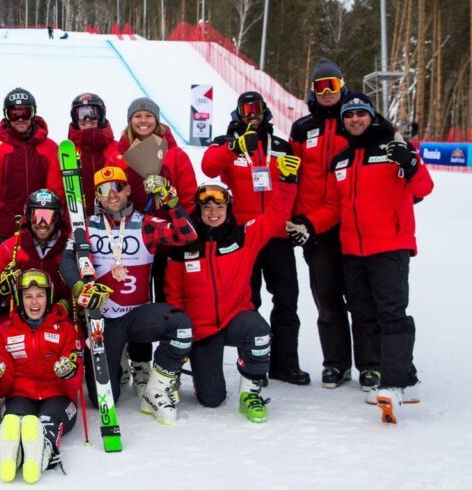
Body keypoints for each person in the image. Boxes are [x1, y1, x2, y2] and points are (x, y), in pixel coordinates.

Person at [306, 92, 433, 424]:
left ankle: (394, 383)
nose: (355, 120)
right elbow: (334, 208)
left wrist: (410, 162)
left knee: (391, 314)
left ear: (371, 116)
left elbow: (423, 187)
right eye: (349, 116)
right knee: (363, 314)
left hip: (390, 247)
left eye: (361, 114)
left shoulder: (393, 150)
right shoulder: (342, 160)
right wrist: (308, 223)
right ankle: (405, 375)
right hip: (353, 251)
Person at [165, 158, 300, 423]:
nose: (213, 212)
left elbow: (276, 217)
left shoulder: (243, 236)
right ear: (198, 209)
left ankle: (251, 391)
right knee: (211, 399)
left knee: (260, 332)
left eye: (219, 205)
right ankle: (201, 370)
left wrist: (287, 182)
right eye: (206, 206)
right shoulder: (185, 244)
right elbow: (173, 294)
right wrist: (181, 336)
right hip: (201, 328)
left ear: (228, 207)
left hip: (236, 318)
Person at [59, 166, 197, 424]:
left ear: (128, 190)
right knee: (103, 396)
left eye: (117, 188)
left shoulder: (144, 223)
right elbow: (66, 261)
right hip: (103, 319)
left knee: (180, 325)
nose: (111, 194)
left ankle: (155, 389)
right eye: (103, 190)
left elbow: (187, 234)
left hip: (136, 316)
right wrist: (79, 287)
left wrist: (170, 200)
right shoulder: (86, 226)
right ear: (97, 196)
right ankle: (119, 365)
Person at [201, 91, 309, 386]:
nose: (252, 114)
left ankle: (285, 363)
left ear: (266, 113)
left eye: (258, 109)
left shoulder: (281, 146)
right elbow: (209, 167)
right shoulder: (227, 144)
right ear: (238, 113)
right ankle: (252, 363)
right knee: (248, 301)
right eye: (246, 109)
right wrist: (234, 148)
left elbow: (297, 186)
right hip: (244, 237)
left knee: (287, 300)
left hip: (276, 236)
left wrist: (300, 222)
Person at [288, 58, 377, 389]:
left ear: (343, 85)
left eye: (332, 85)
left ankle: (370, 364)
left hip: (353, 225)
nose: (326, 92)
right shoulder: (302, 128)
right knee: (326, 299)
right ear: (312, 90)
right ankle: (336, 363)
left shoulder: (356, 120)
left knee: (360, 298)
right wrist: (295, 217)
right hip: (314, 228)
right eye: (320, 86)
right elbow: (291, 175)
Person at [108, 97, 198, 391]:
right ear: (130, 120)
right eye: (138, 116)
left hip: (166, 238)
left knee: (165, 299)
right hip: (132, 237)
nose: (143, 121)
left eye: (148, 116)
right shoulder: (118, 153)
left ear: (157, 120)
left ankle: (165, 362)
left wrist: (168, 194)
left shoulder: (175, 155)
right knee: (131, 299)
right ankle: (135, 361)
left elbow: (188, 198)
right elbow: (112, 192)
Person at [0, 269, 83, 483]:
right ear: (20, 299)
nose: (34, 302)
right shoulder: (6, 331)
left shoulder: (65, 329)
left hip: (58, 396)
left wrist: (68, 373)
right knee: (14, 421)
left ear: (48, 298)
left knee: (48, 422)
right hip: (21, 394)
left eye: (40, 295)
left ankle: (43, 452)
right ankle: (10, 452)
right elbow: (2, 389)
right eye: (28, 296)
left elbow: (74, 383)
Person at [0, 88, 62, 264]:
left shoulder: (50, 147)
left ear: (33, 113)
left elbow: (55, 190)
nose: (20, 119)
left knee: (38, 278)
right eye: (14, 114)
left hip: (41, 224)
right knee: (5, 279)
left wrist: (59, 222)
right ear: (6, 116)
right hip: (4, 226)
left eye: (25, 112)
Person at [0, 188, 70, 315]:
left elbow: (82, 286)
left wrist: (66, 305)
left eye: (48, 217)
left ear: (57, 218)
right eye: (37, 217)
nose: (42, 224)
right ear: (28, 217)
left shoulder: (68, 246)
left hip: (58, 316)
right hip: (19, 315)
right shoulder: (11, 247)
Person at [66, 92, 116, 210]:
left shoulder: (117, 149)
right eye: (81, 114)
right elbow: (56, 189)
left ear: (101, 115)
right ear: (74, 118)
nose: (87, 119)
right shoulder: (66, 152)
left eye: (93, 113)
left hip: (112, 218)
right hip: (78, 220)